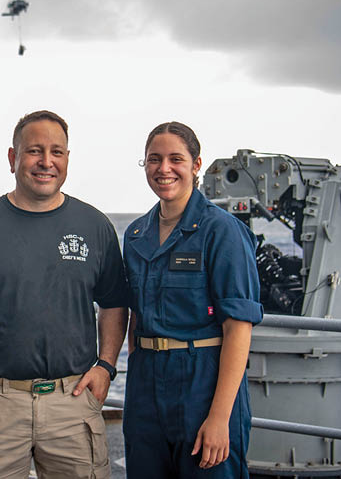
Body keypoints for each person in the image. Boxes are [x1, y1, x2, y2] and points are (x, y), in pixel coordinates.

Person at [0, 110, 128, 479]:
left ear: (67, 159)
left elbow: (114, 302)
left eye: (57, 152)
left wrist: (106, 366)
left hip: (73, 401)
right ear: (12, 158)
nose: (46, 162)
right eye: (34, 151)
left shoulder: (95, 226)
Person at [123, 121, 263, 479]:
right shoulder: (136, 234)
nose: (163, 169)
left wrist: (218, 418)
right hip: (145, 390)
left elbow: (238, 327)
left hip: (202, 384)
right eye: (154, 159)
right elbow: (134, 316)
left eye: (175, 159)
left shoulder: (222, 231)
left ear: (196, 165)